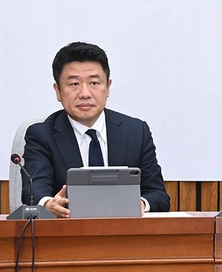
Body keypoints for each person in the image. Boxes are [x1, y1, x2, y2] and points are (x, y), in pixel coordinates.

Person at [22, 42, 171, 217]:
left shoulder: (136, 132)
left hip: (124, 230)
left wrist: (140, 204)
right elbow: (34, 192)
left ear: (107, 87)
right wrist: (49, 204)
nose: (85, 93)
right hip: (68, 230)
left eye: (94, 83)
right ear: (58, 91)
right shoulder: (41, 135)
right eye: (74, 84)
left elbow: (158, 195)